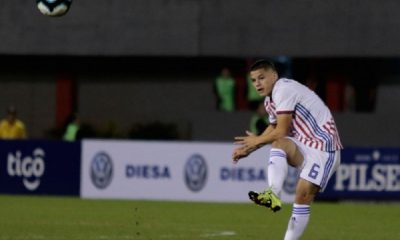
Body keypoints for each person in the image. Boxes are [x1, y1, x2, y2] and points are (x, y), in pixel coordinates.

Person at [232, 59, 342, 240]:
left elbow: (281, 130)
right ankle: (273, 194)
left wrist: (256, 141)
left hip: (324, 148)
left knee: (302, 195)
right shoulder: (270, 100)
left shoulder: (283, 89)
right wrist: (250, 149)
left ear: (274, 76)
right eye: (253, 80)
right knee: (279, 143)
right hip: (304, 144)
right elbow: (275, 129)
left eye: (262, 78)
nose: (257, 83)